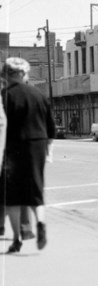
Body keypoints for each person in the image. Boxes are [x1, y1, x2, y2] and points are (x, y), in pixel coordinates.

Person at [1, 58, 55, 253]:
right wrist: (48, 152)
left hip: (13, 146)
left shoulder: (5, 95)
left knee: (13, 196)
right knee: (35, 189)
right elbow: (51, 129)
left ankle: (17, 240)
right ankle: (40, 223)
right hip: (38, 145)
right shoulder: (39, 95)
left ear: (9, 75)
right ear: (23, 74)